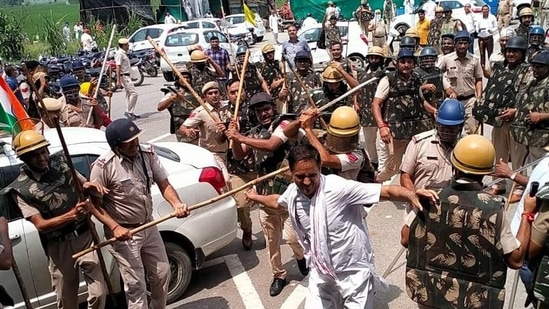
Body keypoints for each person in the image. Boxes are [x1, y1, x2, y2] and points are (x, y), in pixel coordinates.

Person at [245, 143, 439, 308]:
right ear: (291, 173)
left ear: (320, 168)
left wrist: (410, 194)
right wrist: (255, 197)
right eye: (300, 176)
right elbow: (277, 201)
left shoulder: (339, 188)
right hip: (321, 272)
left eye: (312, 175)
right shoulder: (293, 193)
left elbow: (386, 191)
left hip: (352, 271)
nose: (306, 182)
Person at [402, 134, 535, 308]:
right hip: (475, 299)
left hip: (431, 293)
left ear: (454, 165)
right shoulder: (493, 209)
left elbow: (405, 239)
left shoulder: (430, 197)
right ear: (487, 172)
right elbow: (516, 260)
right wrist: (527, 213)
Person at [89, 119, 190, 309]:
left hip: (148, 226)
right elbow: (94, 206)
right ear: (117, 145)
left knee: (162, 273)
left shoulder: (147, 154)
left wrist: (177, 204)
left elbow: (164, 184)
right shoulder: (102, 167)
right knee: (136, 285)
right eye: (129, 142)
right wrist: (115, 227)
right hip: (124, 235)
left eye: (136, 138)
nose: (135, 144)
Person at [1, 130, 107, 309]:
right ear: (25, 158)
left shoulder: (63, 163)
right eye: (34, 155)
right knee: (66, 302)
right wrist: (73, 215)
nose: (42, 158)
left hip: (85, 236)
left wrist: (90, 187)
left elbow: (83, 184)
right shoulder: (20, 189)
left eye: (43, 152)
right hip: (58, 247)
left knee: (98, 293)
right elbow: (41, 225)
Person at [226, 92, 307, 297]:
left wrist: (239, 136)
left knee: (292, 237)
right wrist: (234, 137)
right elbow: (239, 154)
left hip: (289, 194)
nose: (264, 113)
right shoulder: (253, 132)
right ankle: (278, 275)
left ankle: (301, 258)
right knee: (272, 241)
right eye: (259, 110)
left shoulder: (284, 123)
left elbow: (272, 145)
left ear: (273, 107)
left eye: (267, 108)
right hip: (264, 195)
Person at [473, 36, 529, 201]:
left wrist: (516, 110)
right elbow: (490, 90)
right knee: (499, 153)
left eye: (515, 51)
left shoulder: (527, 70)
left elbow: (530, 96)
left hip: (517, 121)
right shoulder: (498, 67)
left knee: (518, 156)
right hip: (498, 119)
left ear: (522, 53)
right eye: (509, 51)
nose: (511, 54)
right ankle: (499, 183)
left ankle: (518, 188)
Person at [372, 49, 434, 183]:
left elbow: (421, 101)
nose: (406, 65)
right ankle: (376, 181)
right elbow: (376, 104)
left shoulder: (417, 78)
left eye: (409, 62)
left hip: (416, 130)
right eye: (403, 62)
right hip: (396, 133)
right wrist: (382, 127)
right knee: (393, 167)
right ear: (397, 63)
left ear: (413, 63)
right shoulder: (388, 79)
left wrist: (434, 111)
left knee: (418, 163)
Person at [400, 99, 464, 195]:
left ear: (460, 127)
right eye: (443, 126)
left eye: (452, 128)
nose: (446, 131)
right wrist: (414, 195)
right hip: (421, 203)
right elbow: (405, 177)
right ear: (437, 124)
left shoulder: (466, 147)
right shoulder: (419, 143)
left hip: (452, 204)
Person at [181, 81, 232, 181]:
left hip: (230, 151)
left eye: (216, 92)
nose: (214, 95)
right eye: (210, 93)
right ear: (205, 97)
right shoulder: (200, 112)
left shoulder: (228, 106)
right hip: (213, 154)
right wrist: (188, 131)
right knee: (226, 180)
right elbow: (183, 128)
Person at [437, 30, 483, 135]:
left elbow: (478, 79)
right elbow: (438, 75)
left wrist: (479, 97)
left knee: (472, 131)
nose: (462, 46)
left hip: (469, 100)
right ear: (455, 44)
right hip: (452, 101)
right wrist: (447, 89)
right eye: (459, 43)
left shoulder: (474, 60)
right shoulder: (446, 59)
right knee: (451, 131)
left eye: (465, 43)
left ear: (469, 44)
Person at [511, 52, 549, 168]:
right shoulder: (533, 83)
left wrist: (541, 116)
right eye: (534, 66)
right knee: (537, 174)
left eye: (539, 67)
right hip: (535, 139)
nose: (535, 69)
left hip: (547, 142)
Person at [355, 46, 385, 172]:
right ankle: (374, 162)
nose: (373, 60)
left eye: (376, 58)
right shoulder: (361, 72)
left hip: (381, 111)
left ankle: (384, 165)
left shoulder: (383, 73)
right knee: (369, 141)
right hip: (365, 112)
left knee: (382, 142)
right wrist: (356, 102)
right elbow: (356, 89)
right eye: (371, 57)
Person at [157, 67, 199, 143]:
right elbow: (160, 107)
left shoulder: (196, 92)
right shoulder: (172, 93)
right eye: (183, 77)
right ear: (178, 79)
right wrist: (172, 98)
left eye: (187, 77)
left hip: (196, 124)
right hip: (182, 127)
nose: (186, 80)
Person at [115, 38, 139, 120]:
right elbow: (118, 67)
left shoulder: (124, 53)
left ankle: (130, 111)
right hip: (124, 76)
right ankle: (129, 112)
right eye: (127, 44)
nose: (128, 46)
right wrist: (118, 80)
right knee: (134, 93)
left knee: (129, 94)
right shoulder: (119, 54)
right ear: (123, 45)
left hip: (127, 75)